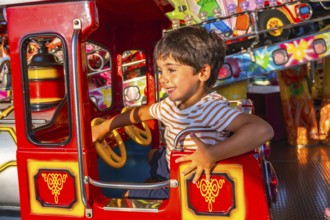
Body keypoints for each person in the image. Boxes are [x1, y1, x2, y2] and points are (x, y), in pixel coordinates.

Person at [92, 26, 274, 200]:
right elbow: (141, 113)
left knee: (127, 197)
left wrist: (212, 154)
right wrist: (105, 128)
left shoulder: (210, 109)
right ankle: (157, 174)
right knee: (151, 154)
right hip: (173, 160)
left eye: (171, 70)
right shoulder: (172, 104)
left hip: (185, 181)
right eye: (161, 71)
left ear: (202, 72)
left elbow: (263, 130)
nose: (163, 78)